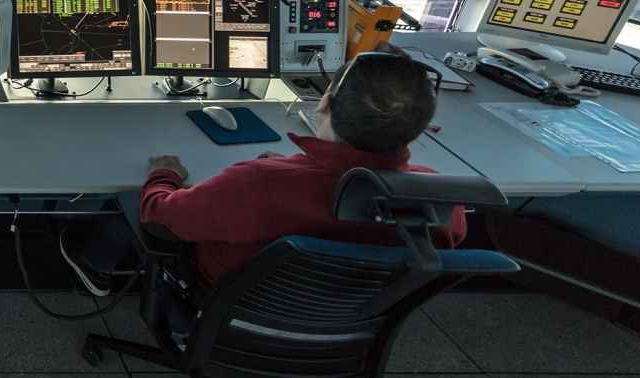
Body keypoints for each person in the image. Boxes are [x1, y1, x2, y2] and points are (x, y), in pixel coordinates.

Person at [136, 50, 466, 289]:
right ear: (421, 127)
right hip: (349, 320)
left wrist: (164, 176)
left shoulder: (259, 182)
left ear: (324, 104)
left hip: (233, 304)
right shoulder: (438, 198)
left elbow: (161, 216)